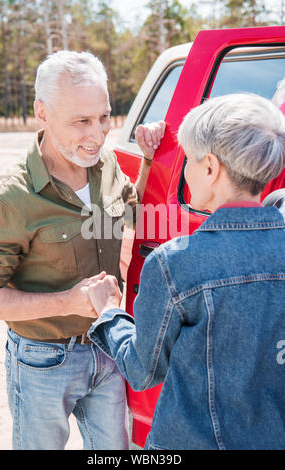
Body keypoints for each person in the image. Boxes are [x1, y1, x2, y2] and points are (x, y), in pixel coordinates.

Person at [0, 50, 165, 450]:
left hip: (111, 346)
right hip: (43, 361)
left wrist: (151, 160)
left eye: (104, 117)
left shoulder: (108, 164)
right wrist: (69, 300)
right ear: (42, 113)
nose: (98, 134)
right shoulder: (8, 198)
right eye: (81, 121)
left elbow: (137, 217)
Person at [86, 93, 285, 450]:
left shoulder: (175, 262)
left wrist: (108, 313)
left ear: (209, 167)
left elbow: (142, 370)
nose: (187, 170)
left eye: (190, 160)